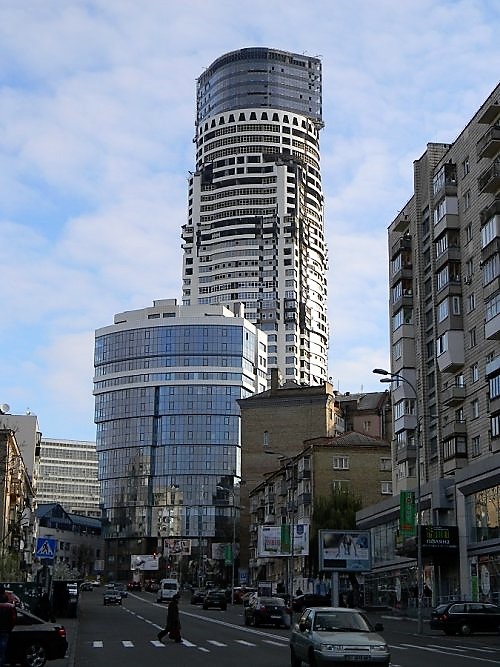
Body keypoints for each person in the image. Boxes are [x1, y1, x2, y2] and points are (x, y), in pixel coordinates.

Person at [0, 585, 16, 667]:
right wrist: (9, 628)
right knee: (2, 652)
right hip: (5, 631)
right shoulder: (10, 606)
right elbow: (13, 619)